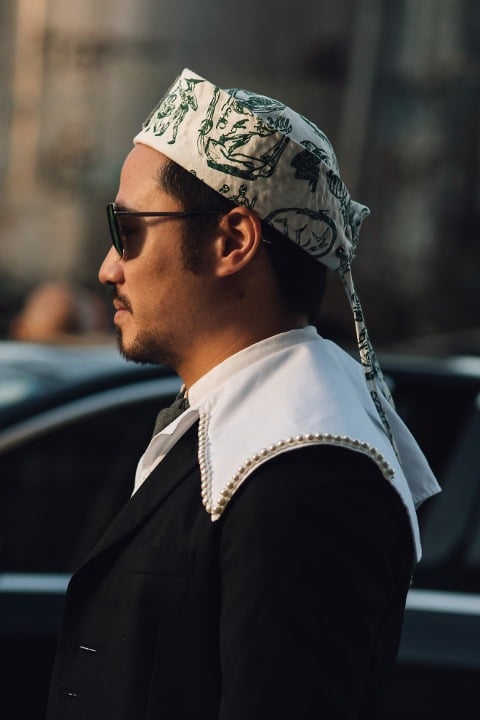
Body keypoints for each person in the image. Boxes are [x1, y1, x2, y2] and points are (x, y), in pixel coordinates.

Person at [46, 68, 440, 719]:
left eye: (128, 229)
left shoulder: (307, 468)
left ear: (232, 241)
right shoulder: (244, 429)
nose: (108, 267)